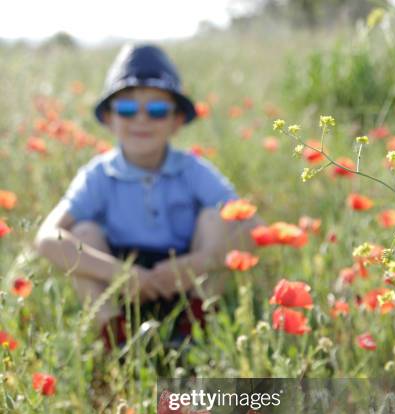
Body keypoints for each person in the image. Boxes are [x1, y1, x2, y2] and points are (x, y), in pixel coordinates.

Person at [35, 43, 259, 350]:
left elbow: (255, 226)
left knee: (215, 218)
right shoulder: (98, 174)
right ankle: (116, 338)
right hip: (121, 286)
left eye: (157, 110)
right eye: (127, 109)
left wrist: (191, 266)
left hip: (186, 281)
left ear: (177, 121)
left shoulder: (193, 169)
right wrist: (121, 275)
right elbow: (46, 238)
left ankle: (194, 329)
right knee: (81, 232)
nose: (141, 119)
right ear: (109, 119)